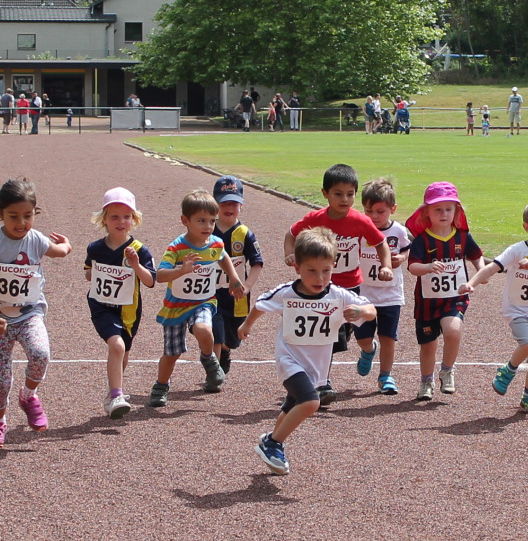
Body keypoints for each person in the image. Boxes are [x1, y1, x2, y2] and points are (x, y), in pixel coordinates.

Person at [240, 227, 376, 475]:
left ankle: (269, 438)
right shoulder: (286, 293)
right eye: (312, 271)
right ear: (298, 268)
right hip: (289, 360)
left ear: (334, 266)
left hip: (316, 367)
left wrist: (361, 312)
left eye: (326, 270)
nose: (320, 278)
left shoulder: (338, 295)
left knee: (292, 406)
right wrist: (247, 324)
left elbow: (371, 309)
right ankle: (274, 443)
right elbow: (260, 304)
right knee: (311, 402)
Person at [283, 164, 393, 404]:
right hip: (321, 286)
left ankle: (368, 349)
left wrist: (385, 265)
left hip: (350, 286)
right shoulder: (315, 219)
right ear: (325, 194)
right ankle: (323, 384)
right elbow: (291, 234)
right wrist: (290, 254)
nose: (345, 199)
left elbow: (381, 243)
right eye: (338, 194)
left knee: (358, 336)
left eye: (350, 194)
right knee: (327, 334)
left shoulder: (360, 221)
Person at [462, 200, 528, 414]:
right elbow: (492, 267)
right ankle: (507, 371)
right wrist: (472, 283)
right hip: (517, 310)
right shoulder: (516, 250)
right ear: (527, 227)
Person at [0, 179, 72, 447]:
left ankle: (28, 396)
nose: (21, 222)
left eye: (27, 216)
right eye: (13, 216)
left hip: (29, 314)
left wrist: (67, 245)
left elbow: (59, 252)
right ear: (0, 213)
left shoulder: (36, 240)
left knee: (40, 353)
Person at [148, 189, 245, 407]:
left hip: (204, 301)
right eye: (201, 221)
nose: (208, 227)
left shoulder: (215, 244)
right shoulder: (177, 247)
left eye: (212, 221)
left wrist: (234, 277)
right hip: (176, 306)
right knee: (171, 354)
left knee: (203, 329)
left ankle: (209, 359)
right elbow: (159, 275)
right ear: (185, 220)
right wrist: (181, 271)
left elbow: (223, 256)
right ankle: (161, 386)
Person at [406, 181, 484, 401]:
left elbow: (475, 255)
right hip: (427, 302)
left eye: (448, 209)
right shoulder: (422, 240)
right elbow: (412, 267)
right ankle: (426, 381)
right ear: (426, 213)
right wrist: (428, 267)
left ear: (456, 211)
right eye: (437, 209)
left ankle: (447, 370)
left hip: (455, 297)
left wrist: (481, 272)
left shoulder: (462, 236)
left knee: (453, 332)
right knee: (428, 345)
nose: (443, 214)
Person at [85, 188, 156, 419]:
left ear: (134, 219)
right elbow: (88, 273)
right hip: (102, 307)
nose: (121, 221)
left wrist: (135, 265)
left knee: (122, 353)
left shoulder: (139, 250)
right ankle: (117, 394)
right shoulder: (95, 249)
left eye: (126, 217)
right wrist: (99, 274)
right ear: (104, 219)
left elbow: (150, 281)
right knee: (116, 346)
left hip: (129, 311)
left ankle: (111, 394)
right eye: (114, 216)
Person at [354, 178, 411, 394]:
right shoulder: (360, 228)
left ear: (392, 209)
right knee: (363, 337)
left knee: (388, 337)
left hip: (390, 294)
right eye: (369, 211)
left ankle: (386, 376)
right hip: (363, 293)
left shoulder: (398, 231)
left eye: (380, 211)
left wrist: (402, 259)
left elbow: (407, 249)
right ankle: (368, 351)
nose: (375, 217)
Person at [212, 175, 263, 376]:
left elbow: (257, 263)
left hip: (236, 299)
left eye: (234, 202)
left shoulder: (244, 234)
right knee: (213, 331)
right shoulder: (207, 230)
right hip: (211, 295)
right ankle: (213, 372)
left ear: (241, 205)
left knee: (232, 339)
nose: (229, 207)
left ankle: (225, 351)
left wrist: (248, 286)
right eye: (224, 202)